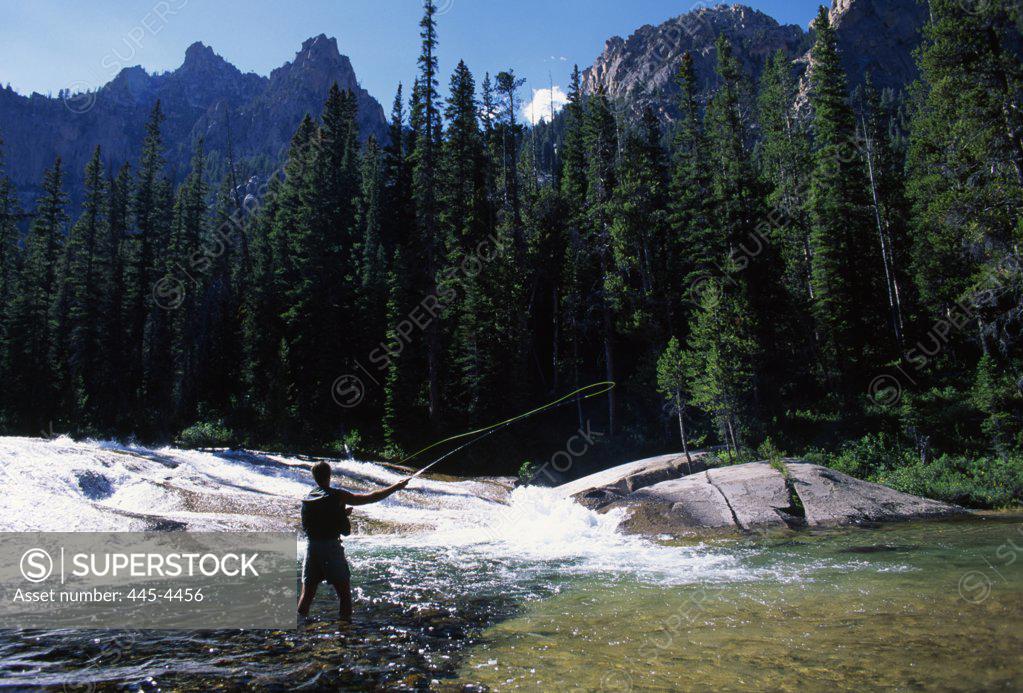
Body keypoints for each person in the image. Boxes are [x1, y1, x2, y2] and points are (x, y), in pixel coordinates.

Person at [298, 460, 410, 625]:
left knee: (307, 595)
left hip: (312, 548)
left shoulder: (307, 499)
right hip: (331, 548)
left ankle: (299, 630)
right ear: (329, 475)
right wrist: (396, 487)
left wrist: (340, 513)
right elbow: (371, 498)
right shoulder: (337, 495)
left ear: (314, 477)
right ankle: (345, 633)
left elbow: (317, 523)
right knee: (344, 595)